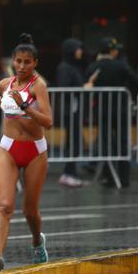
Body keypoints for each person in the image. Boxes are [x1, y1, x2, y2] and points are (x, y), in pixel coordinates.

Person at [0, 33, 53, 272]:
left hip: (34, 150)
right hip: (8, 147)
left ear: (35, 63)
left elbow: (48, 122)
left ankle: (37, 241)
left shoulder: (38, 86)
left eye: (27, 62)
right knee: (4, 205)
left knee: (29, 210)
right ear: (12, 61)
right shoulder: (5, 84)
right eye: (18, 61)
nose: (22, 66)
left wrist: (25, 106)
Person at [84, 37, 138, 188]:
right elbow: (137, 82)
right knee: (123, 143)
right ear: (112, 51)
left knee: (105, 143)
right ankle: (124, 179)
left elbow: (85, 84)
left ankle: (109, 178)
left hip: (102, 112)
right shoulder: (121, 66)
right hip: (121, 111)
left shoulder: (94, 67)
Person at [56, 38, 86, 188]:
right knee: (73, 142)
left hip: (75, 110)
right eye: (77, 48)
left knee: (76, 141)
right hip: (70, 110)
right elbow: (65, 88)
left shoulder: (73, 66)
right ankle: (68, 173)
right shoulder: (65, 67)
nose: (80, 51)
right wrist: (83, 88)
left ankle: (71, 172)